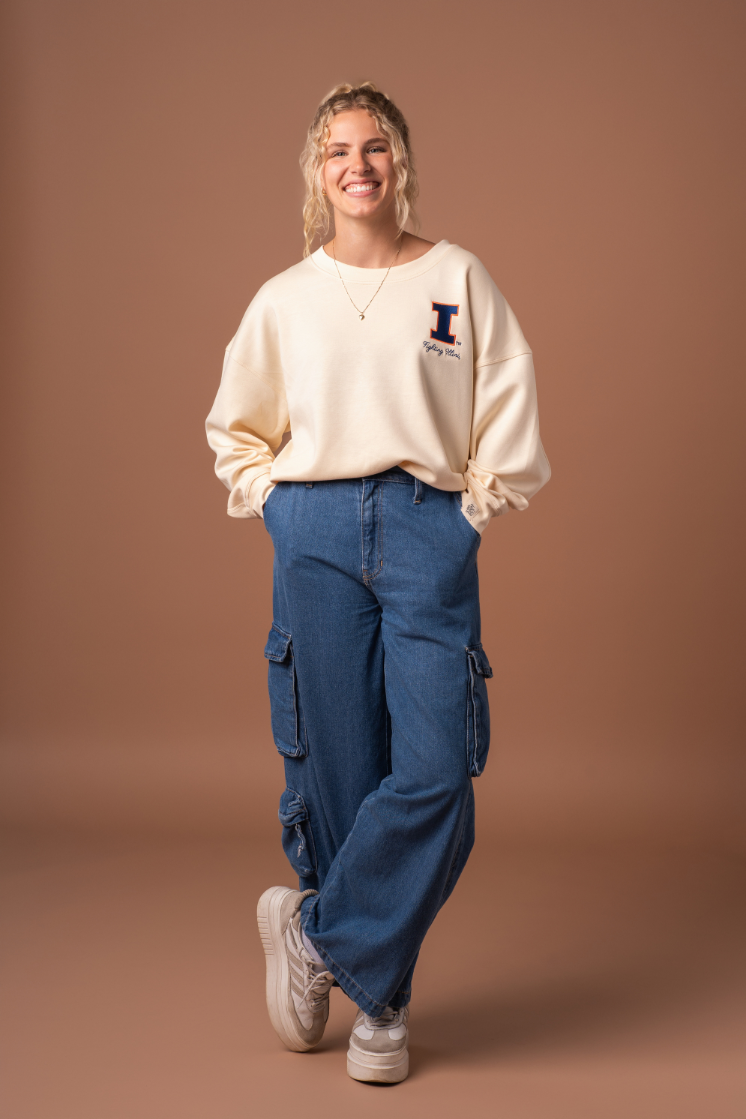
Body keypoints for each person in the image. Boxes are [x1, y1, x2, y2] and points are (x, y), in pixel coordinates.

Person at [206, 82, 550, 1084]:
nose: (357, 166)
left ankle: (315, 936)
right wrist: (275, 500)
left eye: (375, 148)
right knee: (342, 770)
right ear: (318, 174)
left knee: (437, 768)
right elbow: (236, 428)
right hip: (312, 525)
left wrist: (467, 513)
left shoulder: (454, 277)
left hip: (422, 524)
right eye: (337, 152)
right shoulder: (285, 297)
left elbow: (508, 397)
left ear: (401, 162)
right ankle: (383, 1006)